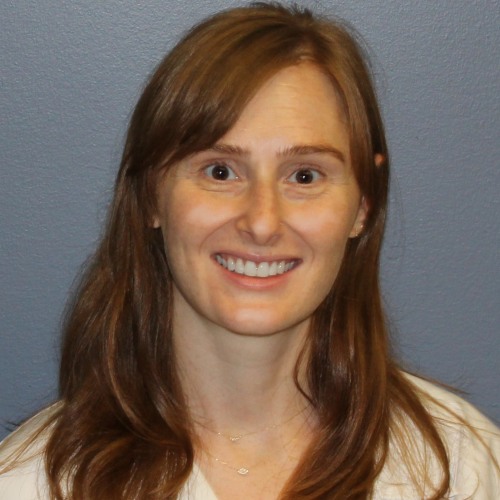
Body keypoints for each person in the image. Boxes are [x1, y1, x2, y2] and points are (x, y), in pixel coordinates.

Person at [0, 2, 498, 499]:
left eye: (305, 176)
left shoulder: (464, 469)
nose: (261, 222)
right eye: (220, 171)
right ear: (152, 193)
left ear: (363, 203)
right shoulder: (32, 484)